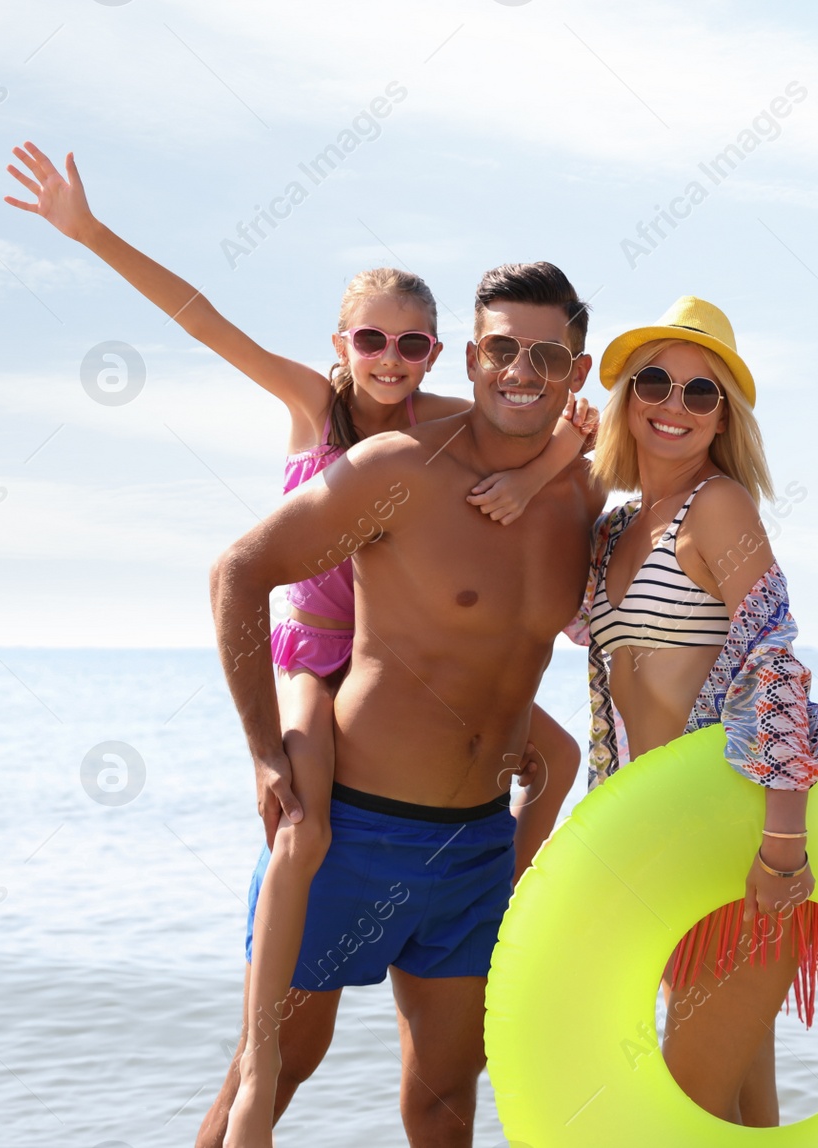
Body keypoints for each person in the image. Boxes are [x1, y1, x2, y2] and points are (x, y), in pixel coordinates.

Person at [200, 260, 603, 1146]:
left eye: (547, 355)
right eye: (501, 348)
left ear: (576, 371)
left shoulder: (582, 488)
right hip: (353, 831)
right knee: (263, 1089)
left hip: (476, 851)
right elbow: (240, 572)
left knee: (445, 1102)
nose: (521, 371)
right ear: (469, 355)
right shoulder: (399, 467)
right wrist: (267, 749)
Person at [579, 297, 818, 1126]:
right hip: (666, 851)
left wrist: (782, 842)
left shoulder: (719, 505)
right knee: (738, 1119)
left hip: (738, 849)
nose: (675, 405)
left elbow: (775, 656)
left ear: (724, 416)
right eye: (656, 381)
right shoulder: (616, 528)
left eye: (703, 393)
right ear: (628, 396)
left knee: (677, 1118)